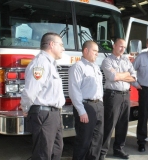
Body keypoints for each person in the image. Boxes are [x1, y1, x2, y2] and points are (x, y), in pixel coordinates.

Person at [20, 32, 65, 160]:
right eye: (61, 45)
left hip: (54, 115)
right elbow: (30, 91)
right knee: (42, 153)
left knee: (56, 151)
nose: (63, 48)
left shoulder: (50, 63)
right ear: (51, 44)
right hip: (44, 115)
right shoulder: (40, 63)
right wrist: (25, 108)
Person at [100, 38, 136, 159]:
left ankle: (118, 149)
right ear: (114, 46)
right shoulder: (107, 61)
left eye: (124, 47)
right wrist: (126, 74)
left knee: (123, 124)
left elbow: (134, 77)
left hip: (126, 95)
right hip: (112, 96)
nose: (122, 49)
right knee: (109, 124)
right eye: (120, 46)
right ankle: (102, 152)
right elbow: (112, 77)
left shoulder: (126, 60)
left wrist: (120, 75)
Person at [68, 41, 104, 160]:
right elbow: (74, 91)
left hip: (98, 105)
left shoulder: (95, 67)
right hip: (86, 106)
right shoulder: (78, 67)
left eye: (97, 52)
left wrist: (101, 103)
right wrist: (81, 111)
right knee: (84, 141)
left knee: (97, 139)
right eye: (94, 51)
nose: (97, 54)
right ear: (86, 51)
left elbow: (99, 87)